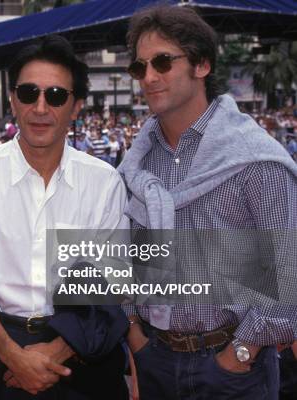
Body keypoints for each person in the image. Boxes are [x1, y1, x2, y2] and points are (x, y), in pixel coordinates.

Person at [118, 5, 297, 399]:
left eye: (162, 62)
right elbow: (124, 257)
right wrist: (135, 337)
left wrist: (240, 355)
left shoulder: (256, 160)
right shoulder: (136, 163)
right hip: (155, 359)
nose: (148, 78)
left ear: (201, 65)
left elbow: (289, 276)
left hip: (235, 369)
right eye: (139, 67)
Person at [0, 35, 130, 400]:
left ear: (75, 107)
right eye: (29, 93)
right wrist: (12, 355)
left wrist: (56, 351)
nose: (40, 107)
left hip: (81, 352)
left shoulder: (104, 181)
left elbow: (112, 280)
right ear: (13, 100)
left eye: (56, 95)